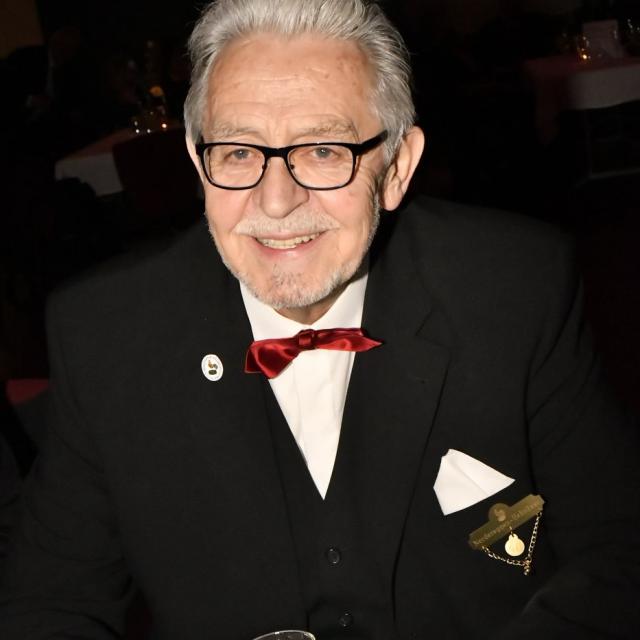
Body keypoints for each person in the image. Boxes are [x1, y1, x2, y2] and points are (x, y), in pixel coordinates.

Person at [1, 1, 639, 638]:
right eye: (239, 152)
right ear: (199, 164)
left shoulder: (512, 287)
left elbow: (619, 547)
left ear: (397, 168)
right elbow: (49, 602)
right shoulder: (106, 334)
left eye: (325, 150)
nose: (276, 201)